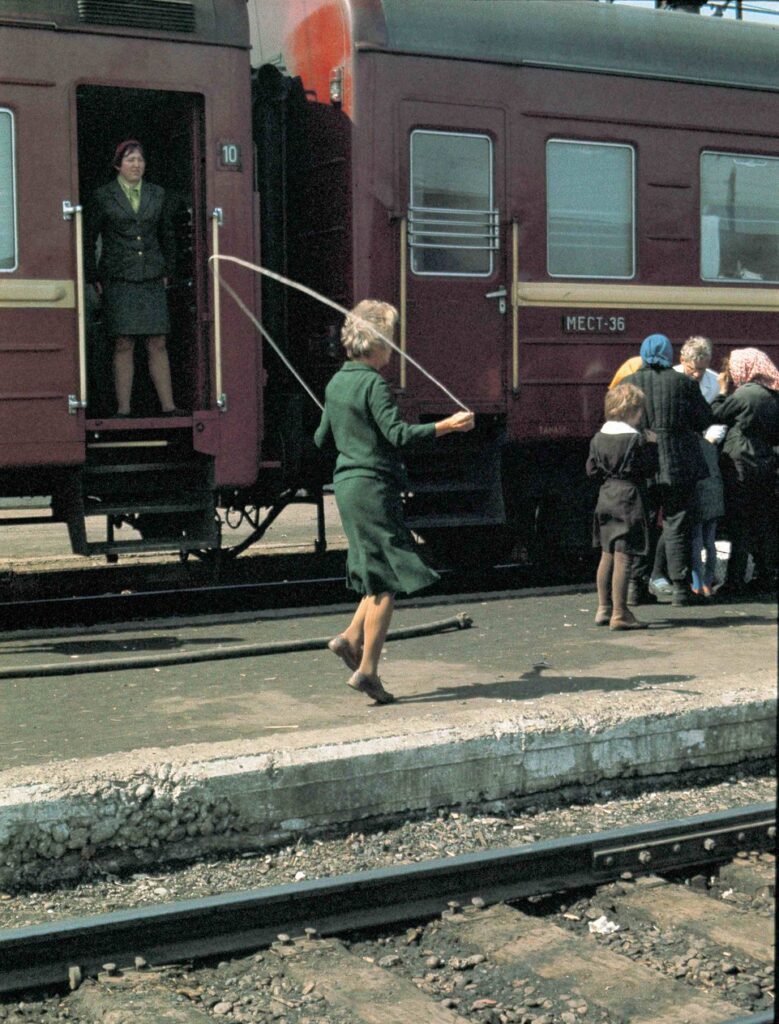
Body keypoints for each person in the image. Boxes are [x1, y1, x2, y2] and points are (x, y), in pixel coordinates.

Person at [314, 300, 474, 703]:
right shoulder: (373, 384)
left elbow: (321, 440)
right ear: (376, 344)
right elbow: (398, 435)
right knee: (386, 580)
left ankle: (349, 638)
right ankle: (367, 669)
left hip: (348, 486)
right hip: (373, 487)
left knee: (374, 569)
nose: (394, 350)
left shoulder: (336, 384)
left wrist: (344, 422)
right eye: (391, 342)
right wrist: (446, 426)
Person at [85, 140, 184, 417]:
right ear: (118, 164)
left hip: (152, 275)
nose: (136, 165)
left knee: (158, 340)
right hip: (118, 276)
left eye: (140, 160)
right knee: (123, 342)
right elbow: (88, 238)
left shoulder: (157, 193)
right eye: (130, 160)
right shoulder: (103, 195)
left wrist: (169, 270)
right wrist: (93, 275)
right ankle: (123, 409)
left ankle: (169, 405)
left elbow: (167, 235)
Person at [623, 334, 712, 607]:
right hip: (679, 464)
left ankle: (636, 588)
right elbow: (703, 419)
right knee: (677, 523)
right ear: (669, 355)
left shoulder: (630, 384)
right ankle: (681, 590)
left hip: (642, 465)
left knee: (644, 525)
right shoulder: (684, 383)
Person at [649, 335, 724, 598]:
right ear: (683, 360)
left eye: (703, 368)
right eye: (695, 368)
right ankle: (674, 576)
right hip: (682, 458)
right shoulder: (675, 380)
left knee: (695, 524)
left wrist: (714, 433)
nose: (699, 374)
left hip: (704, 455)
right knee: (676, 522)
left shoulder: (713, 380)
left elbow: (712, 417)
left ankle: (695, 580)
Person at [587, 383, 658, 630]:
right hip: (629, 497)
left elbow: (591, 470)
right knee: (624, 555)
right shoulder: (635, 440)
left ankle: (603, 608)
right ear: (631, 411)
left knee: (606, 553)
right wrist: (652, 444)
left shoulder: (598, 437)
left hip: (606, 495)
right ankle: (620, 613)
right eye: (639, 411)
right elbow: (650, 469)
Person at [711, 347, 779, 596]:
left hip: (740, 461)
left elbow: (715, 413)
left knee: (739, 522)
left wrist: (720, 391)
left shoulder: (746, 394)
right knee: (763, 521)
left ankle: (735, 580)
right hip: (766, 461)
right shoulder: (773, 394)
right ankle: (766, 575)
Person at [690, 431, 725, 599]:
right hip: (715, 494)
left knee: (696, 542)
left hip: (698, 494)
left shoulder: (688, 445)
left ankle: (696, 584)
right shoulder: (711, 447)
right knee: (710, 542)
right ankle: (708, 583)